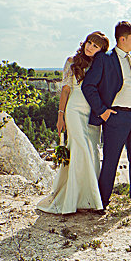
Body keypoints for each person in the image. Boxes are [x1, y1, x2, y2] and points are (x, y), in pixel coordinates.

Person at [82, 20, 131, 210]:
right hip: (116, 117)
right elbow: (88, 86)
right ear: (122, 39)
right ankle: (102, 202)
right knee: (111, 161)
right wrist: (103, 112)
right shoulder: (105, 58)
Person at [35, 32, 108, 215]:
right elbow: (66, 90)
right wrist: (60, 116)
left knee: (92, 151)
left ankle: (88, 199)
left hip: (92, 112)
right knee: (80, 148)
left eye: (95, 46)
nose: (89, 47)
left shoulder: (100, 64)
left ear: (101, 50)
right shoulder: (72, 61)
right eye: (89, 43)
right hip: (74, 109)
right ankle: (73, 201)